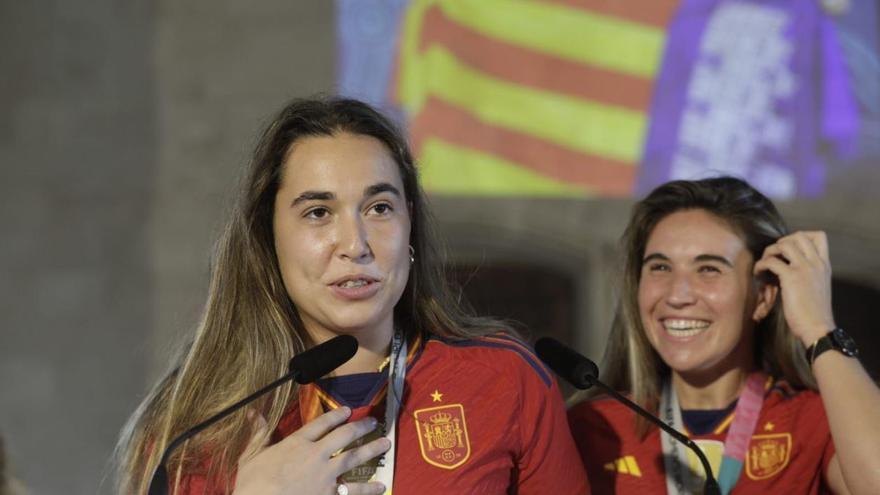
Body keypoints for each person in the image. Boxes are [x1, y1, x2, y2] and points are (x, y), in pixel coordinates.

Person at [116, 97, 589, 495]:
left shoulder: (505, 381)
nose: (356, 244)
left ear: (410, 226)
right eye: (319, 212)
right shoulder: (197, 422)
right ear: (268, 237)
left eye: (379, 207)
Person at [568, 177, 880, 494]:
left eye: (709, 269)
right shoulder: (592, 427)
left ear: (763, 297)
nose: (677, 295)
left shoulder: (814, 420)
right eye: (660, 268)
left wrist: (818, 329)